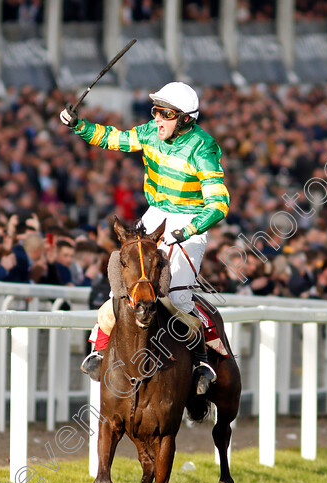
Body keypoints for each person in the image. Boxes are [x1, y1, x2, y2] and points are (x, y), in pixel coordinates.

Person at [60, 81, 229, 395]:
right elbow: (116, 139)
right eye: (156, 111)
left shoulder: (203, 147)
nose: (158, 119)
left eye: (166, 113)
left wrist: (189, 230)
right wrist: (79, 125)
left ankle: (202, 358)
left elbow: (219, 204)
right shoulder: (151, 132)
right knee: (129, 282)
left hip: (189, 220)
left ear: (186, 119)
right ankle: (99, 349)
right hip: (155, 214)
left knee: (176, 297)